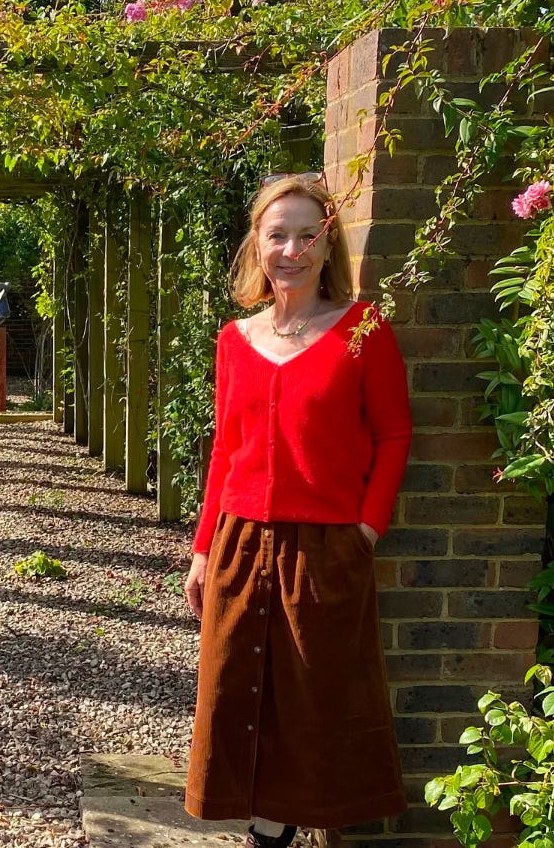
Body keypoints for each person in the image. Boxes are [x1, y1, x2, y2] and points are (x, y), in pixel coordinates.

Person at [183, 173, 412, 848]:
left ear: (326, 241)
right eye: (276, 233)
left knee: (314, 702)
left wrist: (366, 529)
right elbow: (226, 450)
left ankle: (305, 825)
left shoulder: (364, 329)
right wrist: (203, 550)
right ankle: (266, 833)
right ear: (257, 243)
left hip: (325, 549)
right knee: (239, 691)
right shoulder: (234, 340)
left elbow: (394, 435)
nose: (291, 249)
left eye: (305, 234)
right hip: (240, 543)